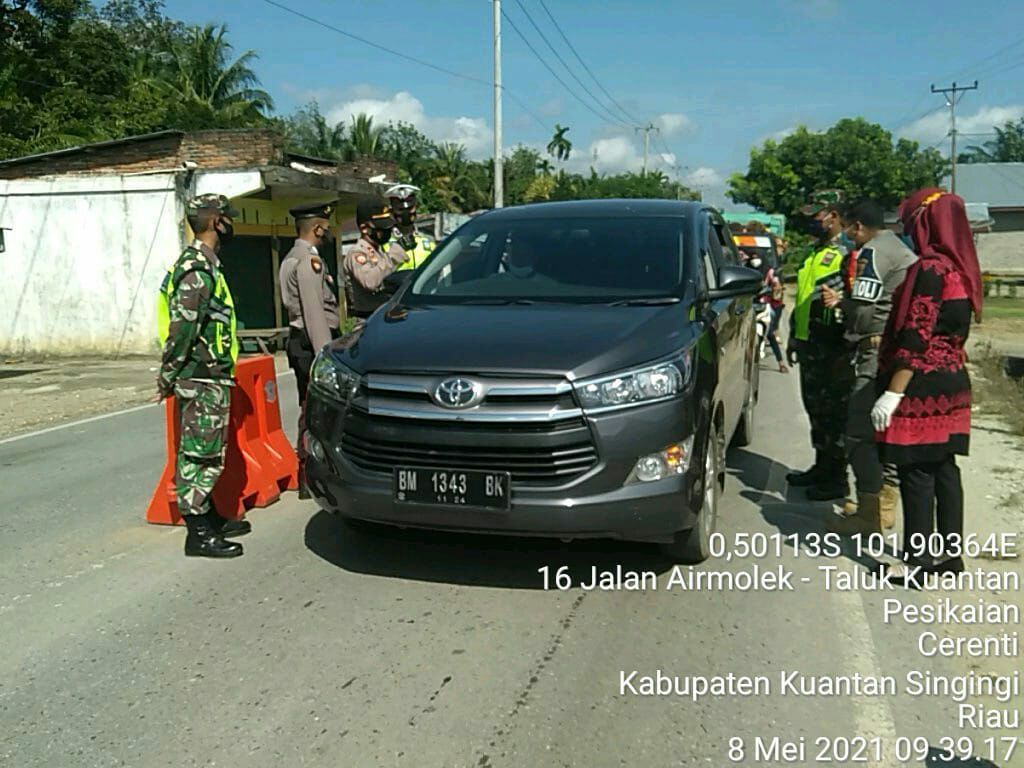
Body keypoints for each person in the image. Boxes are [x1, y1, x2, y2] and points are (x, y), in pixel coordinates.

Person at [872, 188, 982, 579]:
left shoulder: (930, 269)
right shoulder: (962, 270)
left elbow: (916, 336)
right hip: (953, 382)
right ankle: (950, 556)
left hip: (921, 385)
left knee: (916, 471)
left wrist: (891, 393)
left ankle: (917, 561)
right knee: (944, 469)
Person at [156, 194, 248, 559]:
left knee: (208, 451)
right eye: (227, 218)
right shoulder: (196, 268)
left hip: (211, 375)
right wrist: (168, 375)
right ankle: (198, 532)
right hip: (200, 377)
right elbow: (183, 330)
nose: (230, 224)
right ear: (215, 222)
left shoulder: (208, 264)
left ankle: (209, 516)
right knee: (200, 456)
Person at [822, 199, 917, 536]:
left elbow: (863, 308)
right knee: (884, 429)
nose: (847, 235)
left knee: (859, 432)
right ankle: (884, 505)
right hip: (895, 349)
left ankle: (870, 509)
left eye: (848, 228)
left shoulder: (872, 254)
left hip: (874, 347)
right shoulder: (901, 248)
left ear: (857, 227)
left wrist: (842, 306)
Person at [785, 190, 852, 500]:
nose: (811, 221)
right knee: (815, 409)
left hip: (834, 347)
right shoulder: (815, 251)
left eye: (816, 215)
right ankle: (822, 466)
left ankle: (838, 478)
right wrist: (794, 337)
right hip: (810, 343)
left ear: (833, 216)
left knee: (833, 413)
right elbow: (803, 298)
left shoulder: (849, 251)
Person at [279, 200, 341, 498]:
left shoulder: (293, 257)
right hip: (310, 342)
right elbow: (315, 312)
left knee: (309, 408)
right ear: (317, 228)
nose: (328, 233)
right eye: (326, 228)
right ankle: (309, 473)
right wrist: (325, 358)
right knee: (314, 410)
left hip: (302, 340)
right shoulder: (308, 261)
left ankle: (308, 471)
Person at [343, 196, 408, 320]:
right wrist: (393, 257)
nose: (386, 232)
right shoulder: (357, 253)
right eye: (381, 228)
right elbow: (370, 281)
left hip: (384, 314)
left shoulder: (378, 250)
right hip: (367, 319)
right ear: (364, 228)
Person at [385, 183, 435, 270]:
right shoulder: (383, 242)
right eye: (401, 209)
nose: (406, 213)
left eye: (410, 208)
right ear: (392, 212)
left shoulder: (428, 240)